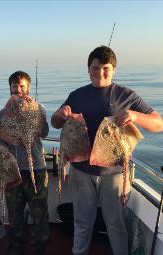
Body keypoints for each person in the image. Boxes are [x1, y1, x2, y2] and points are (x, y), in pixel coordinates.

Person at [51, 46, 163, 255]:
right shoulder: (76, 95)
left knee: (115, 224)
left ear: (114, 70)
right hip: (81, 170)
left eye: (106, 68)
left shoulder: (126, 95)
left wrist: (136, 116)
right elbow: (55, 123)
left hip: (114, 173)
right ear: (88, 69)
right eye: (95, 68)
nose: (100, 73)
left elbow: (158, 123)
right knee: (82, 221)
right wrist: (60, 113)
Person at [0, 71, 50, 255]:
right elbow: (2, 138)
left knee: (40, 215)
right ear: (10, 89)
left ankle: (39, 249)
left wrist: (35, 111)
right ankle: (16, 249)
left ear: (28, 88)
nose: (18, 90)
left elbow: (44, 133)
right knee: (14, 216)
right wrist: (2, 151)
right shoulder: (5, 110)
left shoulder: (39, 107)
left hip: (37, 169)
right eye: (14, 86)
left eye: (22, 86)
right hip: (14, 171)